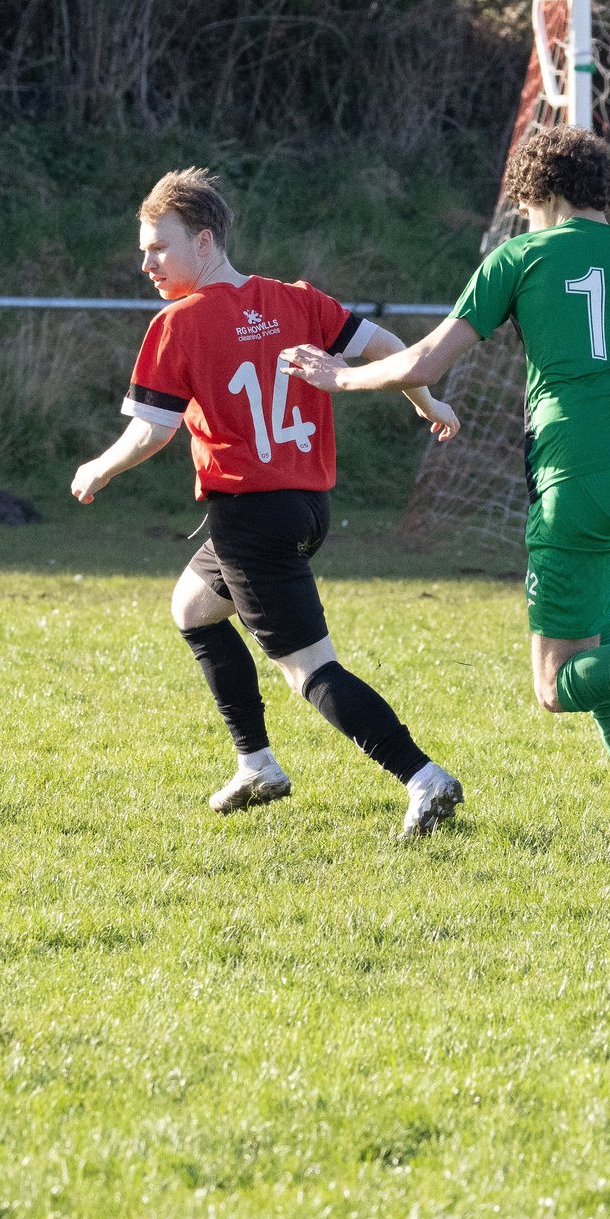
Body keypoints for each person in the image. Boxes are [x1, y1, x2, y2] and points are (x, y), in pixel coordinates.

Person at [280, 125, 610, 835]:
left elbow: (423, 365)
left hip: (577, 472)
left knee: (556, 685)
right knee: (598, 631)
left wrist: (340, 376)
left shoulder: (523, 256)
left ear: (542, 194)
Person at [70, 167, 468, 839]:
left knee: (309, 670)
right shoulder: (298, 300)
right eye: (143, 250)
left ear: (205, 241)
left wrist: (99, 468)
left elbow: (154, 428)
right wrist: (430, 401)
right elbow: (394, 351)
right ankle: (256, 763)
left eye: (159, 248)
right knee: (193, 609)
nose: (147, 263)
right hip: (306, 508)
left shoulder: (179, 324)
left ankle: (424, 778)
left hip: (250, 516)